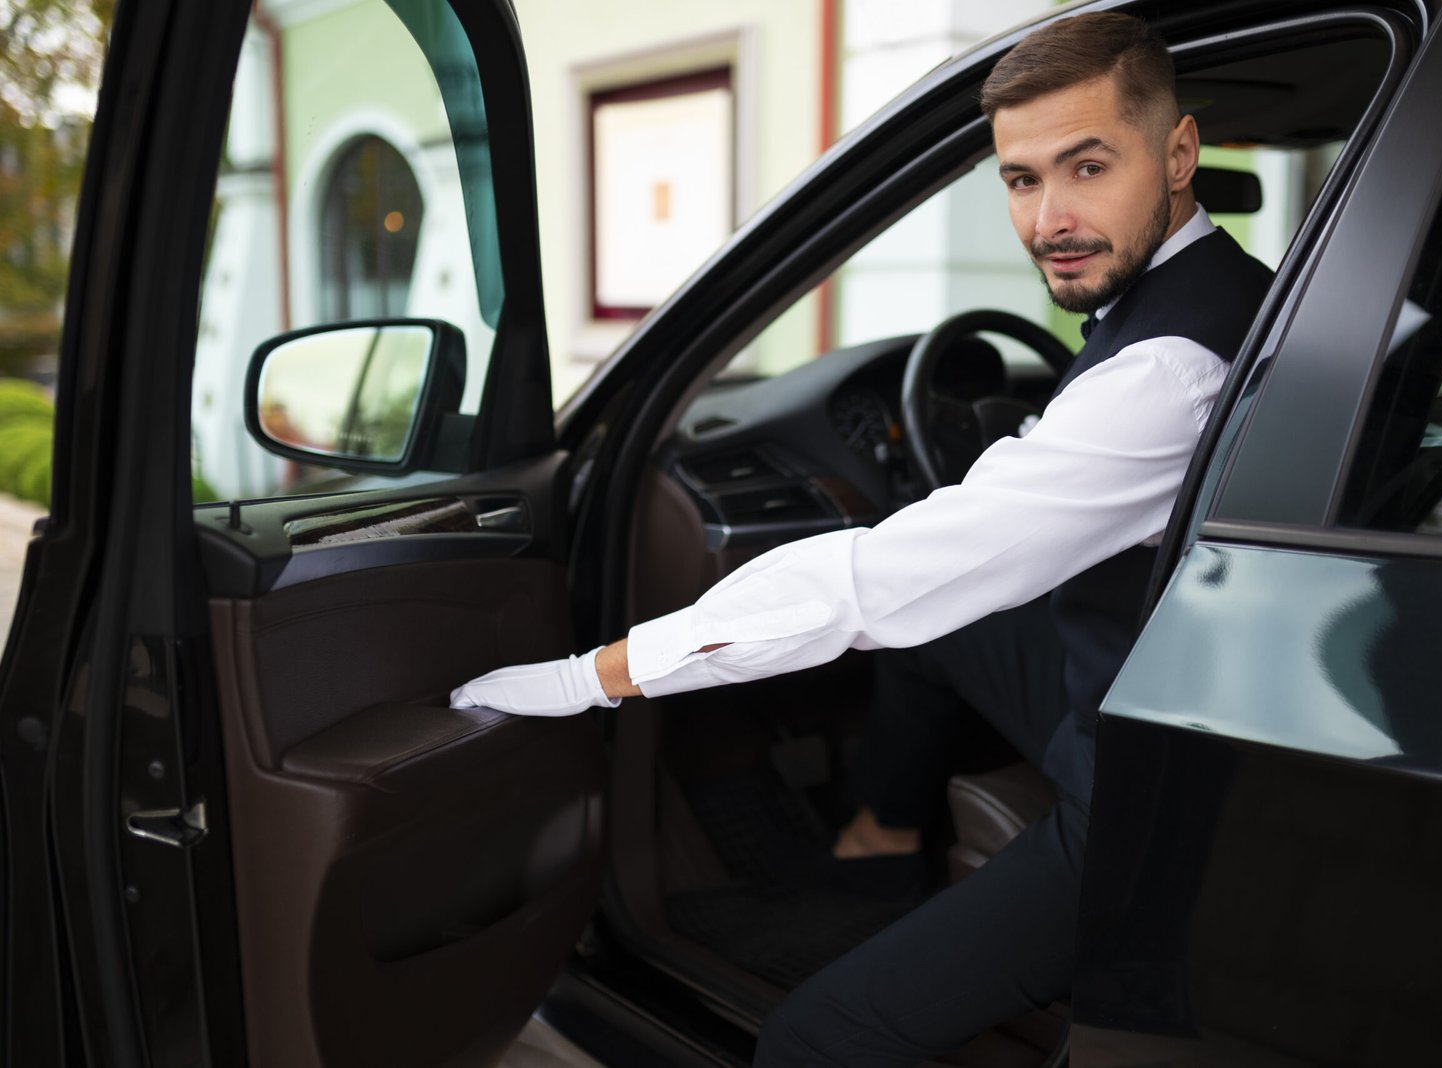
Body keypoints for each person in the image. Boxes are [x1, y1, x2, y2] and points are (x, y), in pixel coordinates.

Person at [452, 12, 1273, 1066]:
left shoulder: (1162, 375)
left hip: (1155, 796)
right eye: (1021, 180)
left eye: (1088, 165)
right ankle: (883, 848)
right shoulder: (1228, 294)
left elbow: (872, 587)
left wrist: (589, 677)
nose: (1051, 217)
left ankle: (883, 883)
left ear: (1178, 153)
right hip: (1186, 687)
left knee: (814, 1039)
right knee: (948, 628)